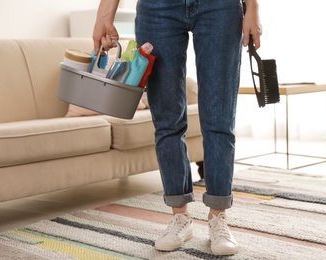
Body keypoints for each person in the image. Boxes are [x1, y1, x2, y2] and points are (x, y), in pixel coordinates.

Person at [93, 0, 262, 256]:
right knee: (167, 120)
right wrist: (104, 14)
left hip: (219, 7)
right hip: (157, 7)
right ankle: (180, 217)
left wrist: (253, 8)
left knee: (219, 118)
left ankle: (218, 217)